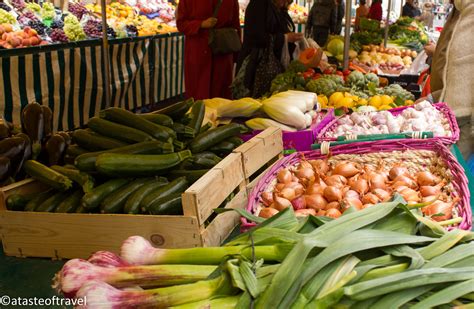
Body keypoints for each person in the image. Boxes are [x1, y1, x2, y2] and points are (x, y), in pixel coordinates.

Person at [418, 0, 473, 159]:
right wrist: (432, 99)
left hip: (465, 126)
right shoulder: (459, 11)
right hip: (452, 119)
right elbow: (458, 77)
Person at [234, 0, 303, 98]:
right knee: (253, 102)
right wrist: (285, 38)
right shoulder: (258, 5)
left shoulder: (277, 7)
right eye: (284, 1)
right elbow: (257, 36)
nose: (284, 4)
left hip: (269, 65)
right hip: (255, 65)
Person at [176, 0, 240, 100]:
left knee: (220, 96)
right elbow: (181, 24)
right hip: (198, 53)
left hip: (221, 53)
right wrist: (201, 24)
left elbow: (235, 25)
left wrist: (237, 55)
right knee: (198, 95)